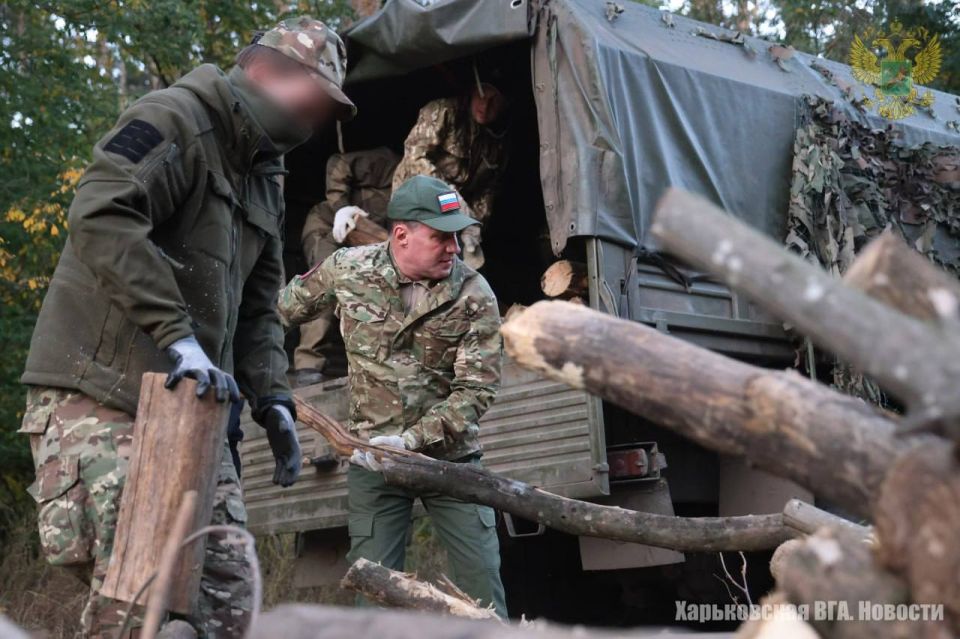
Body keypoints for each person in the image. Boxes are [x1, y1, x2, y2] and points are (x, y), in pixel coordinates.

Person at [17, 16, 355, 638]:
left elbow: (260, 302)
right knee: (141, 596)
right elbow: (101, 214)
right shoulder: (174, 118)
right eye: (310, 104)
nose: (310, 125)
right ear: (266, 73)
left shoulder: (265, 171)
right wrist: (179, 339)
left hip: (194, 408)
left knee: (228, 598)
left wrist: (274, 398)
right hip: (103, 394)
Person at [277, 175, 507, 617]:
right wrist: (260, 373)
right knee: (374, 594)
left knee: (482, 589)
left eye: (456, 237)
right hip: (373, 462)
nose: (454, 248)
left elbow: (477, 390)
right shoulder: (348, 269)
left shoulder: (473, 294)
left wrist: (410, 441)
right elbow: (279, 312)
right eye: (441, 237)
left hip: (450, 460)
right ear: (401, 235)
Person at [294, 147, 400, 386]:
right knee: (326, 282)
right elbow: (339, 163)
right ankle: (308, 362)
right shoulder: (388, 163)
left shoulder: (426, 197)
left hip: (367, 241)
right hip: (330, 226)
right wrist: (341, 207)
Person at [391, 81, 509, 269]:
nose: (485, 106)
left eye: (494, 101)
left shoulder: (496, 141)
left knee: (466, 266)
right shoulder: (443, 112)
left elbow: (487, 189)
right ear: (472, 91)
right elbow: (415, 156)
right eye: (482, 95)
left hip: (455, 215)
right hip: (415, 199)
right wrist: (450, 199)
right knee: (420, 262)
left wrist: (474, 225)